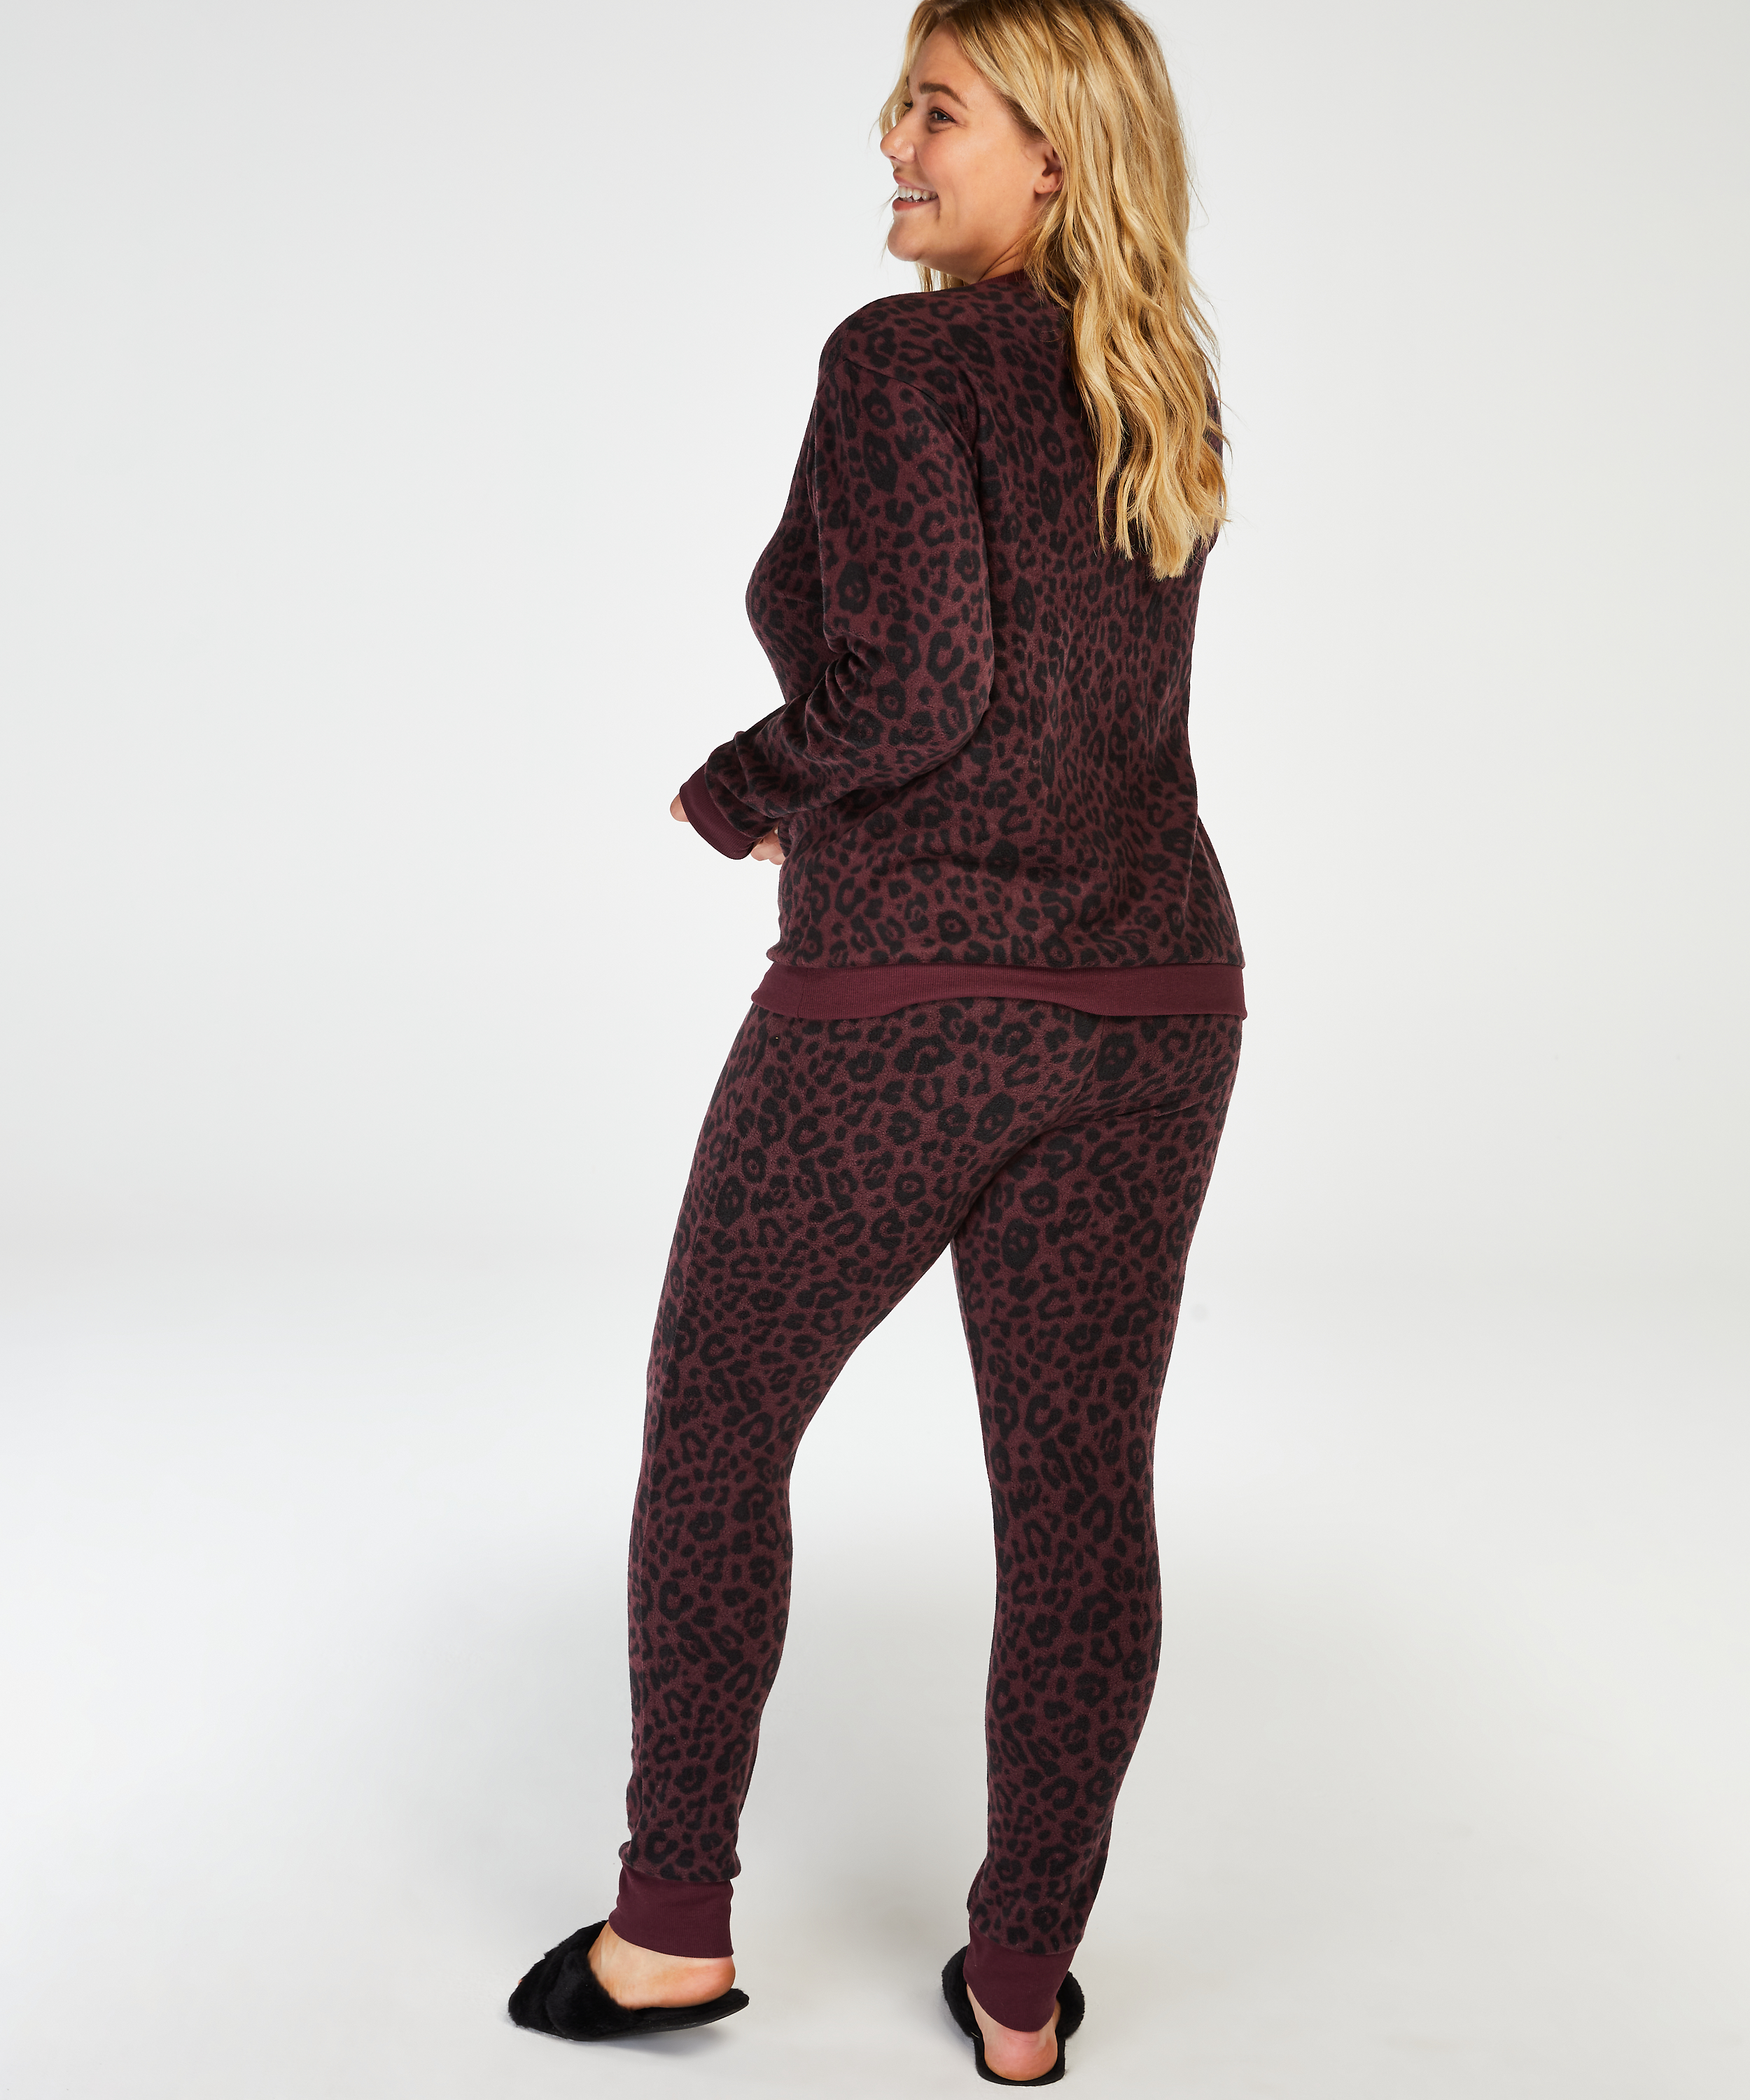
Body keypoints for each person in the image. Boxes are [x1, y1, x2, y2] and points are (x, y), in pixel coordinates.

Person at [506, 0, 1243, 2081]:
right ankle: (1022, 1988)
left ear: (1055, 152)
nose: (893, 145)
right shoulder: (1161, 384)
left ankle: (667, 1935)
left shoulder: (897, 362)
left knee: (716, 1425)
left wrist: (738, 786)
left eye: (934, 110)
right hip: (1158, 1003)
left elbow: (919, 688)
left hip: (910, 1004)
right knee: (1079, 1491)